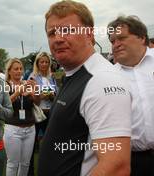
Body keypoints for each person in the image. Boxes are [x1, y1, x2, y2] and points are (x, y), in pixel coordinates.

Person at [38, 1, 132, 176]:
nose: (58, 38)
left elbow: (116, 167)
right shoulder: (75, 74)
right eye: (52, 33)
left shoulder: (102, 80)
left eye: (68, 30)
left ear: (89, 34)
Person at [108, 15, 154, 176]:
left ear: (141, 37)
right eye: (112, 41)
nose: (116, 44)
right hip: (133, 161)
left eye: (121, 38)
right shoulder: (107, 77)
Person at [4, 58, 38, 176]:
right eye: (16, 69)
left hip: (30, 128)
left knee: (25, 164)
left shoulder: (26, 83)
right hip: (13, 129)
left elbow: (37, 103)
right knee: (13, 163)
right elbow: (5, 103)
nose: (19, 71)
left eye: (20, 69)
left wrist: (34, 91)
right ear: (9, 71)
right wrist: (18, 92)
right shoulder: (5, 85)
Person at [27, 51, 57, 176]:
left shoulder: (52, 77)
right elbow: (29, 96)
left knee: (50, 144)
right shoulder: (32, 77)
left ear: (49, 63)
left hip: (50, 113)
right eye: (41, 62)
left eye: (46, 62)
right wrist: (40, 95)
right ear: (37, 63)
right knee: (32, 146)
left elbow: (56, 95)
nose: (44, 64)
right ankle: (30, 172)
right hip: (37, 113)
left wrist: (51, 95)